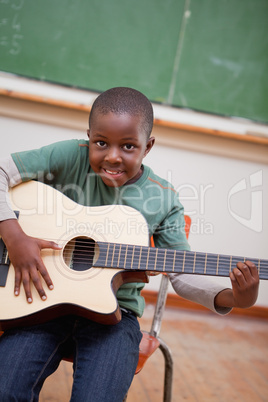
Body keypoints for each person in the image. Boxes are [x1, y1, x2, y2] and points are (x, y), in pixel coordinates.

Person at [0, 87, 259, 401]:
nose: (112, 156)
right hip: (41, 298)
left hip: (115, 316)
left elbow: (181, 272)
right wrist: (14, 236)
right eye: (101, 143)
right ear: (88, 136)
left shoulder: (163, 199)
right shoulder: (70, 155)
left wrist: (234, 296)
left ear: (147, 147)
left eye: (128, 146)